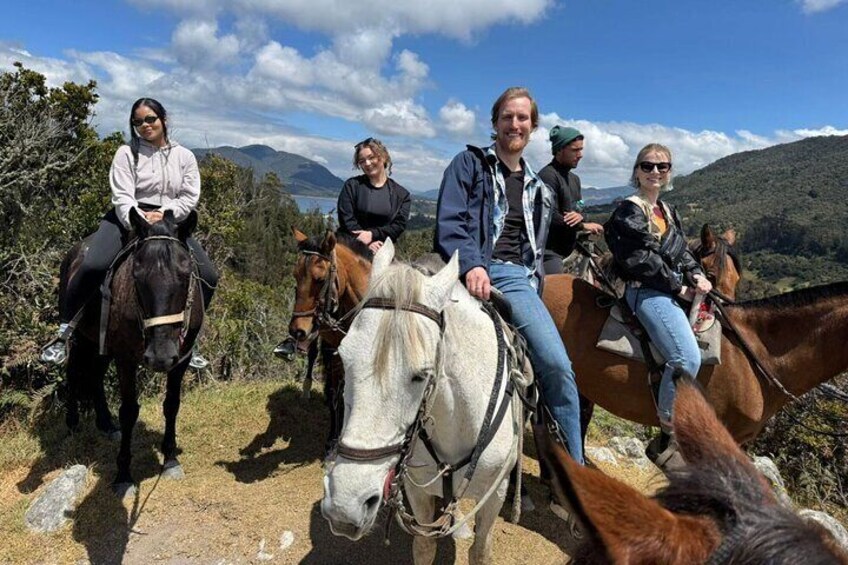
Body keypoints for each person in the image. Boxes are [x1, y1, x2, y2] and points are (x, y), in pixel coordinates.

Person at [433, 86, 584, 524]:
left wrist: (579, 228)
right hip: (481, 270)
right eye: (507, 117)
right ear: (495, 122)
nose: (515, 125)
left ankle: (571, 479)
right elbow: (451, 221)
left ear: (532, 127)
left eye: (523, 119)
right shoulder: (470, 165)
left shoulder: (538, 185)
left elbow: (549, 241)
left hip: (525, 279)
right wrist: (475, 265)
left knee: (555, 367)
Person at [41, 97, 218, 369]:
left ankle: (190, 342)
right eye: (138, 122)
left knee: (207, 274)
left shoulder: (185, 157)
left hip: (169, 223)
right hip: (129, 219)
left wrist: (166, 213)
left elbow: (189, 195)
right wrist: (138, 217)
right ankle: (64, 332)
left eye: (150, 119)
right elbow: (121, 194)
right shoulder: (127, 153)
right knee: (92, 263)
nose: (144, 125)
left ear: (163, 120)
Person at [604, 143, 712, 467]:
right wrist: (678, 286)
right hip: (647, 292)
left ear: (669, 173)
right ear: (636, 171)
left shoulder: (667, 211)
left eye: (662, 167)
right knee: (686, 356)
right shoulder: (629, 210)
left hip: (672, 290)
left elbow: (682, 252)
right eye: (648, 166)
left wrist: (697, 274)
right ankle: (667, 432)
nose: (655, 172)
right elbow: (640, 260)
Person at [538, 125, 604, 275]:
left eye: (581, 149)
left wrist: (581, 216)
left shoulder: (575, 179)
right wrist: (583, 225)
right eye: (575, 150)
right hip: (550, 252)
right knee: (556, 292)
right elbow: (549, 216)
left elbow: (580, 208)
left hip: (571, 247)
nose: (580, 155)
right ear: (560, 150)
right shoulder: (548, 176)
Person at [337, 138, 411, 254]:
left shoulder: (401, 195)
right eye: (362, 161)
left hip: (381, 251)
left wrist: (372, 235)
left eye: (371, 158)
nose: (367, 163)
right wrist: (366, 243)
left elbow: (398, 226)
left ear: (383, 157)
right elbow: (346, 219)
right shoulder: (351, 186)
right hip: (349, 250)